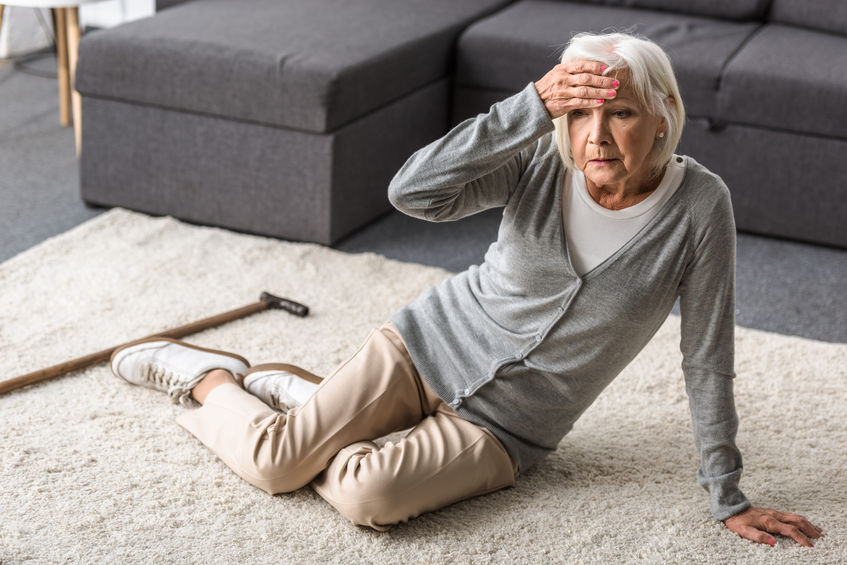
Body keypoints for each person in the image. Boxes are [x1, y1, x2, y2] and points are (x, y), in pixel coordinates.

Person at [110, 32, 822, 546]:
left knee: (369, 494)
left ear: (663, 113)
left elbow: (705, 356)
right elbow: (410, 190)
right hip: (421, 347)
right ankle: (209, 378)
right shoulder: (538, 160)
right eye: (578, 113)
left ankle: (306, 403)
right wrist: (531, 107)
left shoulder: (699, 205)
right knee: (274, 465)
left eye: (621, 112)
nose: (595, 136)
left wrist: (726, 495)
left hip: (507, 426)